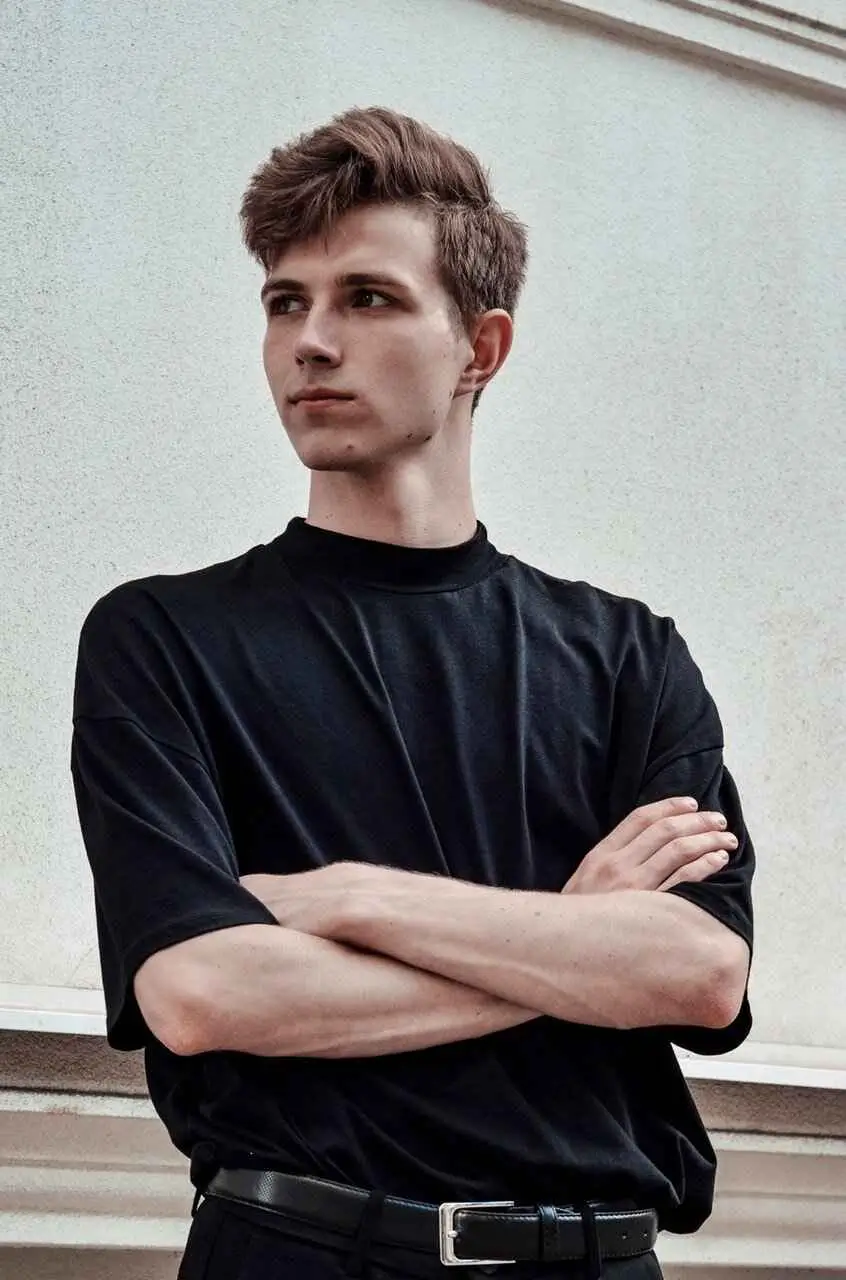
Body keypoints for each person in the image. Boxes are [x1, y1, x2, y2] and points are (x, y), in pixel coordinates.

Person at [70, 106, 754, 1280]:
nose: (310, 341)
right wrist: (571, 937)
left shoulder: (630, 654)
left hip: (594, 1258)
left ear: (480, 349)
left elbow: (695, 972)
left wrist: (345, 895)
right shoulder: (162, 635)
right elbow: (199, 988)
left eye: (367, 298)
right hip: (301, 1245)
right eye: (286, 301)